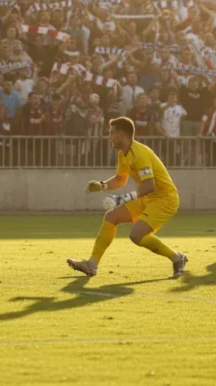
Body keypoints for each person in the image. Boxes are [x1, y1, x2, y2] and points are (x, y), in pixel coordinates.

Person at [67, 117, 188, 279]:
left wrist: (122, 198)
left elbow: (149, 185)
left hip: (165, 199)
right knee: (111, 217)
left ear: (122, 135)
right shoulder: (122, 154)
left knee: (136, 236)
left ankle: (177, 257)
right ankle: (92, 264)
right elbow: (120, 179)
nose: (108, 136)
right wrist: (102, 185)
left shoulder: (140, 154)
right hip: (149, 197)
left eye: (111, 133)